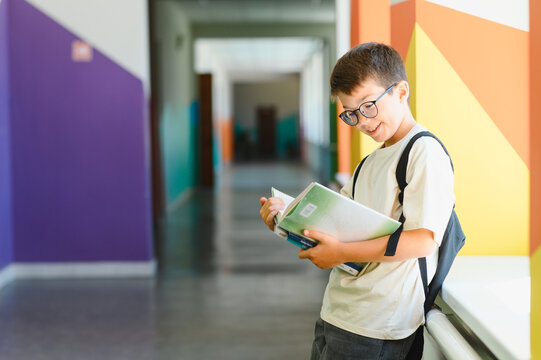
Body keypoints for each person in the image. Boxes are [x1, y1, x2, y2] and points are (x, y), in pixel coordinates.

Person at [259, 42, 455, 360]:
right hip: (338, 313)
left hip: (379, 325)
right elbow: (337, 227)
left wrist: (341, 251)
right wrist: (287, 221)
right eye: (350, 114)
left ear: (401, 91)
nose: (362, 121)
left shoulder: (423, 152)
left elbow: (423, 241)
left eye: (368, 106)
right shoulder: (368, 163)